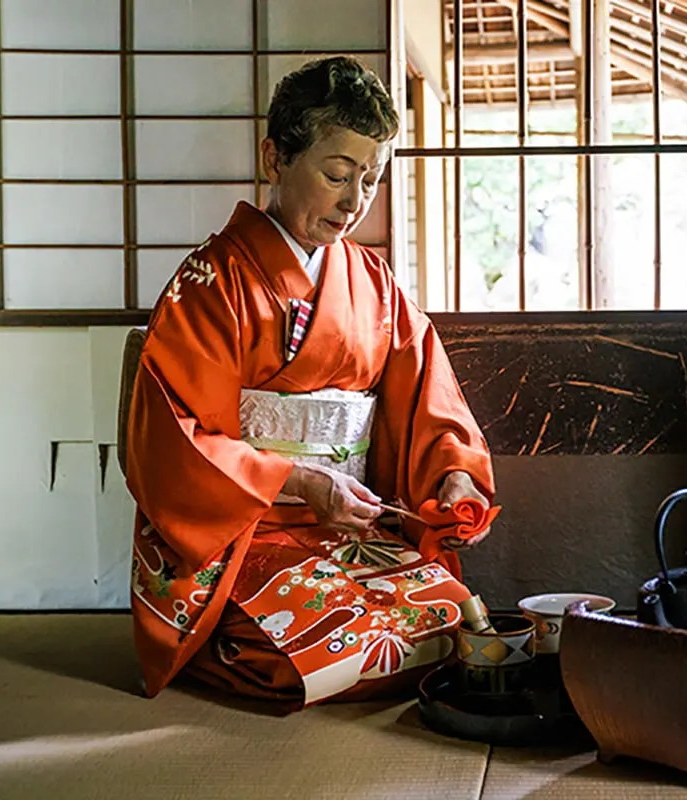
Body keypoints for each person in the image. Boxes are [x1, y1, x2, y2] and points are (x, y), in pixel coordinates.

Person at [124, 55, 495, 709]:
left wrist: (453, 475)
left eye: (371, 182)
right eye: (336, 175)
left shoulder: (373, 284)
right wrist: (297, 480)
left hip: (344, 524)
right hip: (242, 531)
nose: (354, 203)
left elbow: (429, 393)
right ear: (275, 158)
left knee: (457, 620)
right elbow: (173, 437)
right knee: (334, 641)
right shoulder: (212, 283)